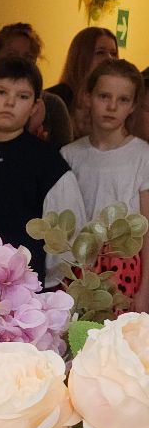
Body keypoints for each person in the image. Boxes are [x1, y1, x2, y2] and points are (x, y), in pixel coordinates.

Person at [0, 56, 85, 281]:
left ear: (35, 106)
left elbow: (66, 240)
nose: (9, 103)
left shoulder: (49, 164)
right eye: (0, 92)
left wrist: (45, 286)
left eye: (22, 96)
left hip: (24, 291)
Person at [61, 59, 149, 313]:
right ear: (88, 97)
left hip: (124, 268)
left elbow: (146, 232)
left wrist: (145, 291)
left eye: (123, 100)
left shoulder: (142, 156)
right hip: (78, 263)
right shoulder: (70, 155)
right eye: (104, 96)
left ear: (133, 105)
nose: (111, 106)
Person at [0, 22, 72, 149]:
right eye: (11, 55)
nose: (19, 62)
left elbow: (63, 153)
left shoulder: (53, 105)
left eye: (28, 57)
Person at [46, 26, 118, 138]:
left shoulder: (117, 101)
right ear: (81, 57)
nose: (109, 58)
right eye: (100, 52)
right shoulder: (58, 98)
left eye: (113, 54)